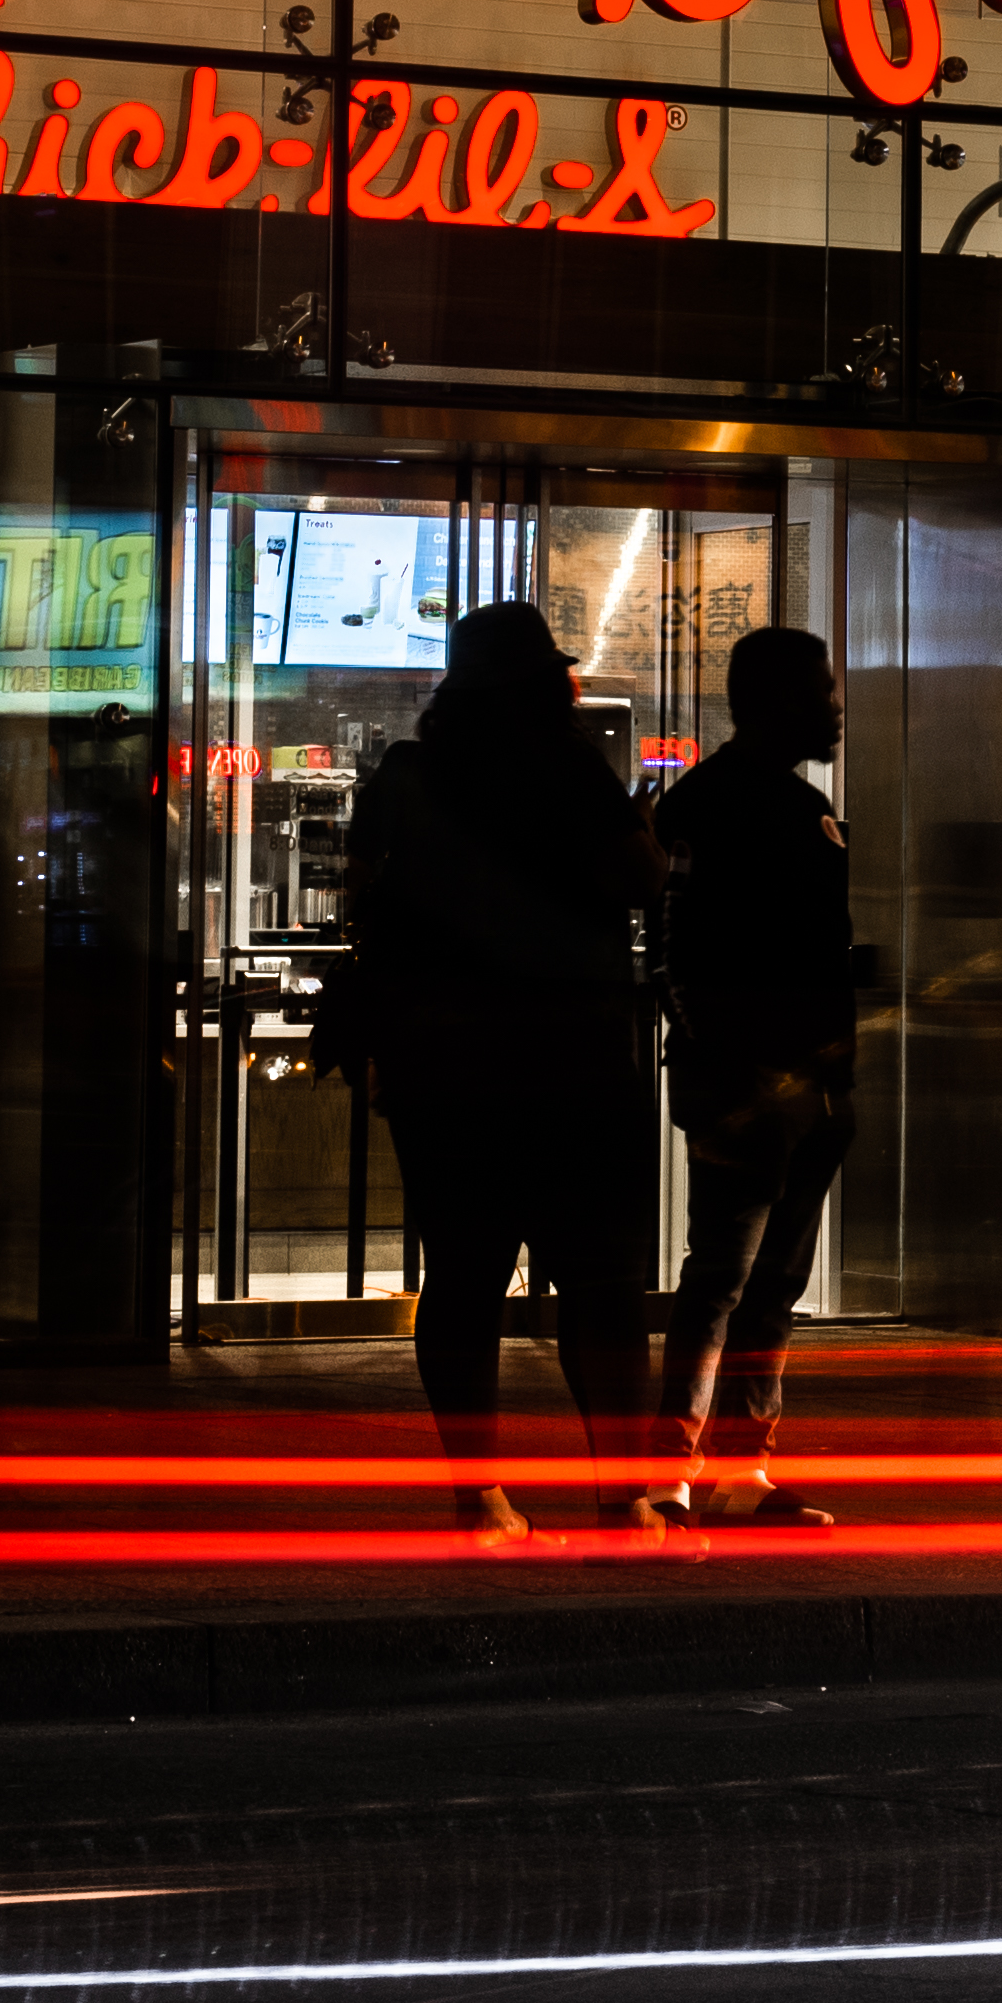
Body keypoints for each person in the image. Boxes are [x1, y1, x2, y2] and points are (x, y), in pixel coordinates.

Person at [323, 596, 658, 1540]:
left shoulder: (405, 776)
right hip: (574, 1059)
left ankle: (480, 1497)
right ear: (544, 683)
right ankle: (624, 1498)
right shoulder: (570, 770)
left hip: (443, 1064)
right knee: (600, 1287)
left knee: (463, 1279)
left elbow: (362, 901)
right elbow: (637, 880)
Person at [644, 623, 867, 1531]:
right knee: (735, 1281)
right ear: (775, 701)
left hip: (779, 1084)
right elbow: (687, 955)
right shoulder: (749, 807)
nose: (837, 705)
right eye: (821, 689)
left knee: (756, 1282)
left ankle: (721, 1468)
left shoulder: (717, 801)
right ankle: (692, 1467)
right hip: (761, 1084)